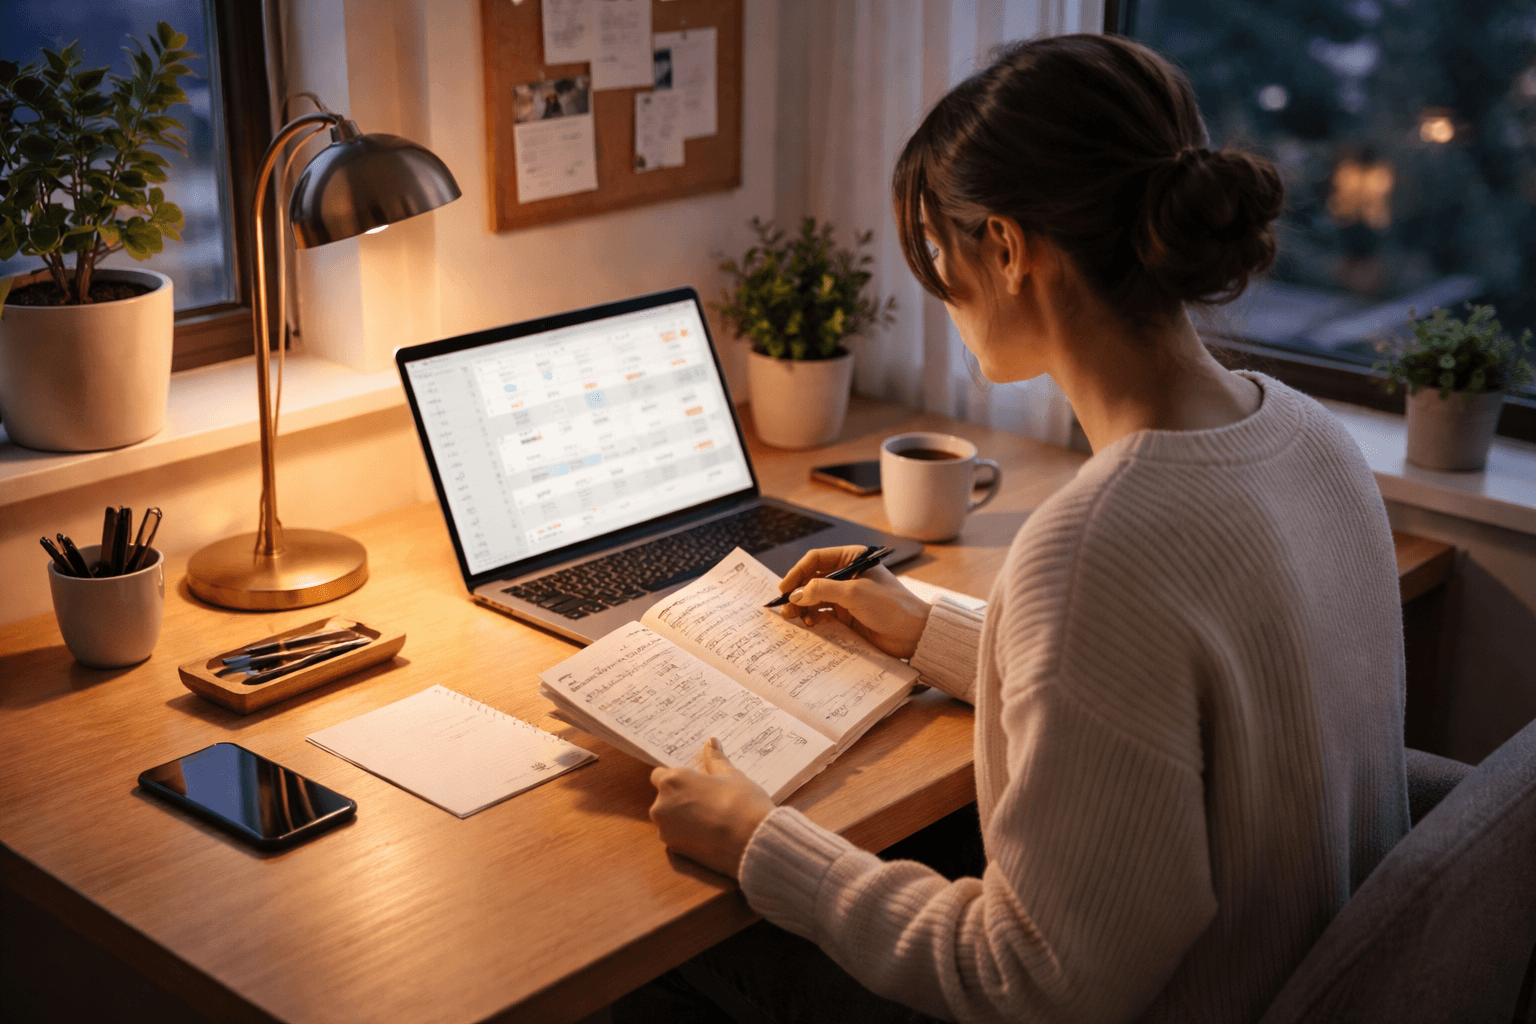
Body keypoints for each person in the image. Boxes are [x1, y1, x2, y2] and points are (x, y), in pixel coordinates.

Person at [618, 32, 1409, 1024]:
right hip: (1285, 972)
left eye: (938, 252)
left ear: (1006, 247)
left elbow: (1032, 981)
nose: (939, 291)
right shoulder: (1309, 435)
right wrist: (928, 633)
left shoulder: (1097, 543)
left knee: (654, 967)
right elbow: (1177, 705)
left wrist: (760, 841)